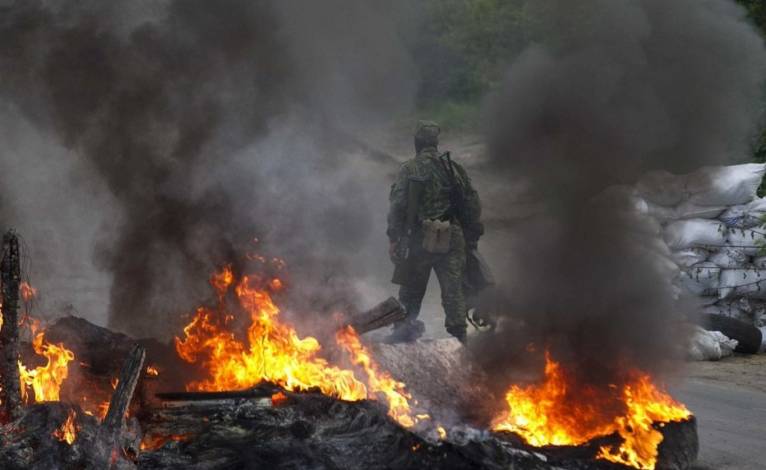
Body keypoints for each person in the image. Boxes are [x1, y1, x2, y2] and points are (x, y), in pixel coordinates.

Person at [386, 121, 483, 344]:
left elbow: (398, 205)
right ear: (435, 143)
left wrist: (394, 237)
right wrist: (470, 233)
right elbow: (472, 203)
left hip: (421, 237)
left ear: (417, 143)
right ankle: (459, 336)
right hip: (452, 235)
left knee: (411, 287)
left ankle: (403, 329)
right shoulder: (453, 168)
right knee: (453, 288)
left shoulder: (409, 169)